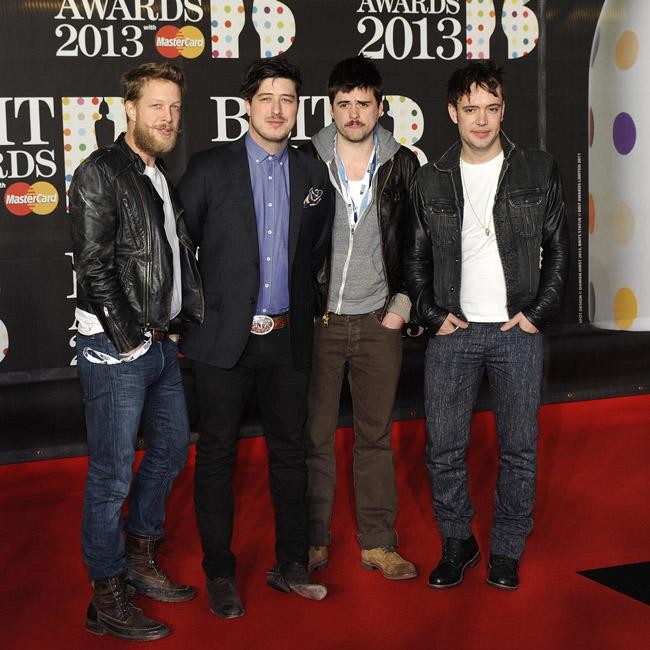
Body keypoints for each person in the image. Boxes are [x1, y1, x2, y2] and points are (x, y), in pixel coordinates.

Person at [176, 57, 334, 619]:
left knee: (290, 454)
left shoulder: (313, 174)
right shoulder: (208, 168)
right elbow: (180, 249)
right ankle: (220, 573)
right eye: (266, 97)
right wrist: (201, 316)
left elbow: (316, 254)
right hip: (222, 342)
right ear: (247, 105)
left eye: (287, 99)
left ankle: (290, 563)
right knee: (217, 455)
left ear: (298, 108)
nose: (276, 108)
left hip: (287, 341)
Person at [404, 60, 569, 591]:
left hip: (516, 331)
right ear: (452, 112)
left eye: (491, 108)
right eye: (470, 109)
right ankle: (458, 541)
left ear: (503, 111)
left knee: (519, 447)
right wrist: (433, 315)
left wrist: (537, 313)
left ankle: (507, 548)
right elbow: (414, 259)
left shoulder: (538, 169)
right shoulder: (430, 177)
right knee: (444, 448)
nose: (481, 120)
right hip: (453, 331)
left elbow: (560, 249)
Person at [69, 62, 203, 641]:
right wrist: (130, 338)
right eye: (156, 106)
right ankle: (105, 594)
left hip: (159, 342)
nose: (167, 118)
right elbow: (94, 266)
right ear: (129, 108)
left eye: (174, 107)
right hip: (115, 345)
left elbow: (165, 260)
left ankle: (139, 557)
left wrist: (171, 327)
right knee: (111, 474)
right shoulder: (100, 171)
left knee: (171, 449)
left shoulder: (158, 173)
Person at [301, 55, 418, 580]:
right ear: (331, 107)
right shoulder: (307, 159)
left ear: (380, 107)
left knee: (375, 437)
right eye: (344, 104)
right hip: (320, 322)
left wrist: (401, 308)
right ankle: (311, 540)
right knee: (315, 438)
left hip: (377, 322)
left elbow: (418, 242)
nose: (353, 113)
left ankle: (378, 542)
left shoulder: (403, 163)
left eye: (363, 104)